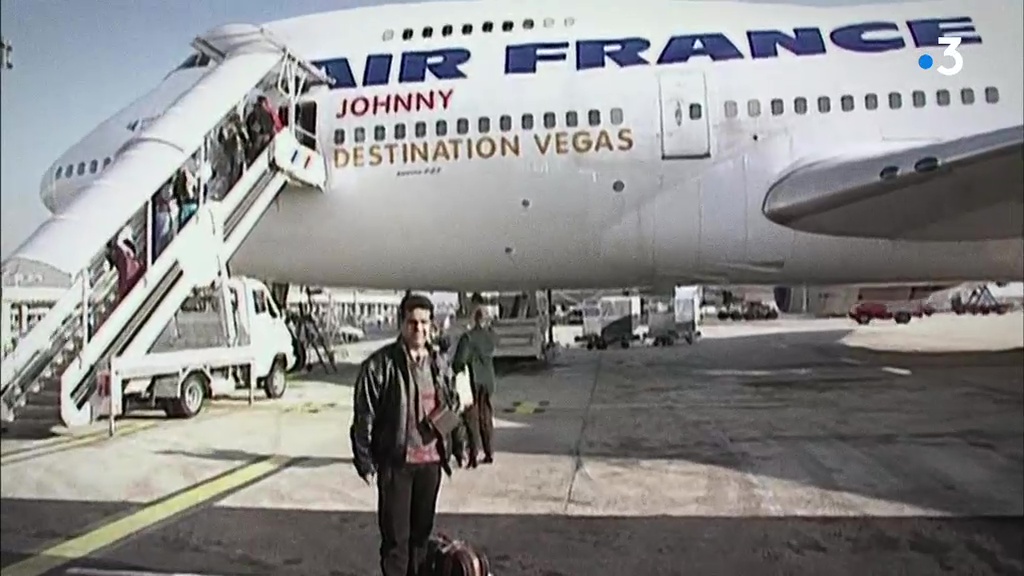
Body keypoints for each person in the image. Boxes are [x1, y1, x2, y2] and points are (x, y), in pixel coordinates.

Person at [351, 293, 464, 576]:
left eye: (424, 322)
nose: (419, 329)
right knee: (396, 542)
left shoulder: (439, 364)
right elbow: (364, 416)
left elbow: (452, 405)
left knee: (421, 539)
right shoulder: (380, 365)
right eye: (412, 322)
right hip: (397, 463)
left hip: (430, 464)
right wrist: (365, 461)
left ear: (432, 325)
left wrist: (457, 445)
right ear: (401, 324)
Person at [451, 304, 499, 468]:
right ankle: (489, 452)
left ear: (474, 318)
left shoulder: (468, 338)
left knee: (472, 418)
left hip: (474, 381)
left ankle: (473, 455)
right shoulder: (491, 337)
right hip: (489, 381)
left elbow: (459, 361)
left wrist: (456, 370)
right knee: (486, 416)